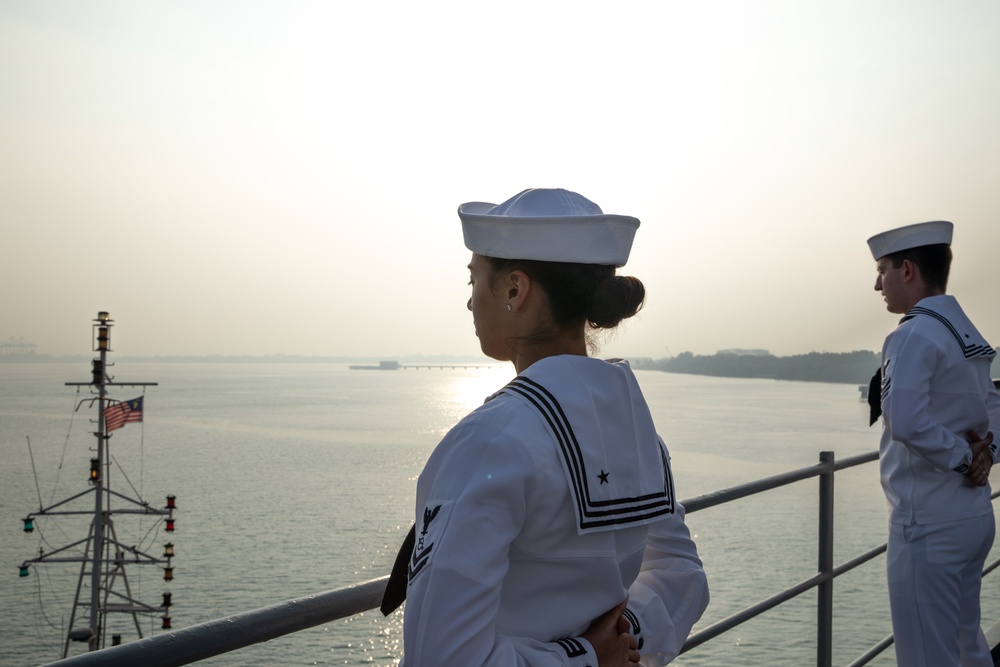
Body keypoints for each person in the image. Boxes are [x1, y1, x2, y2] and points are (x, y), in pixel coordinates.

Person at [386, 188, 709, 666]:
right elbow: (682, 574)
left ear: (515, 289)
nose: (471, 303)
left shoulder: (491, 441)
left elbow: (442, 658)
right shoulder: (639, 434)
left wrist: (587, 659)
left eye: (474, 280)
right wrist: (625, 636)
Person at [867, 220, 1000, 667]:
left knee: (926, 655)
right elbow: (995, 406)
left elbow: (904, 421)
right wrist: (988, 456)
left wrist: (967, 459)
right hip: (972, 517)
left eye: (882, 270)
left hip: (926, 526)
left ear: (907, 270)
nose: (876, 284)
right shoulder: (967, 334)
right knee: (967, 646)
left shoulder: (912, 335)